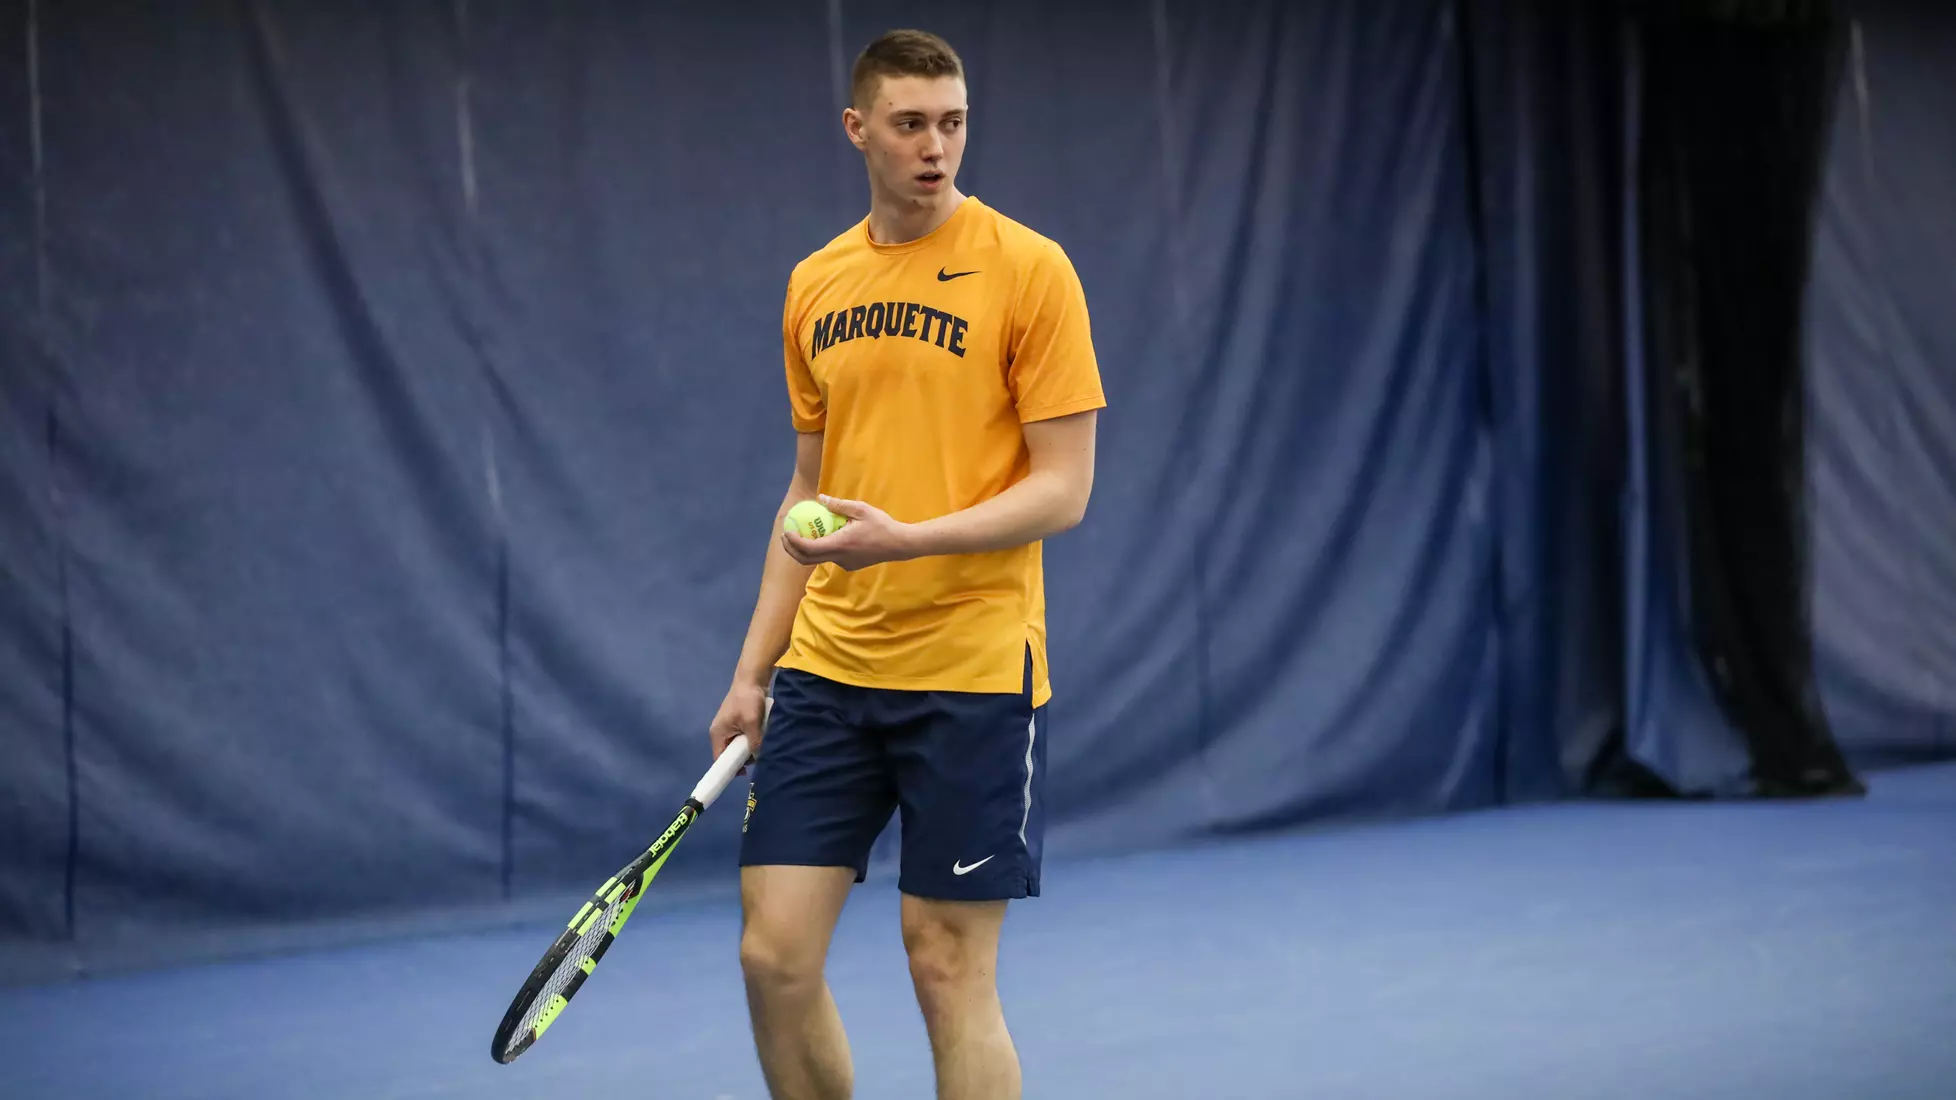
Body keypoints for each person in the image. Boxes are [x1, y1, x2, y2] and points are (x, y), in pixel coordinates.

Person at [705, 26, 1105, 1100]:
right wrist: (753, 671)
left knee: (944, 963)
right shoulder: (816, 282)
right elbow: (807, 497)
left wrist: (911, 537)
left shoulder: (1032, 270)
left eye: (954, 122)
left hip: (974, 670)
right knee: (773, 957)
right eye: (911, 124)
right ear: (858, 129)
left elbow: (1064, 488)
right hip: (831, 674)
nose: (937, 146)